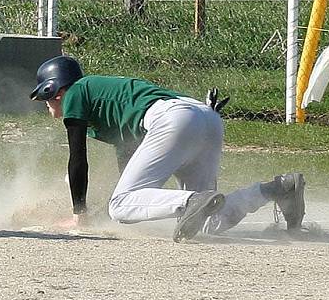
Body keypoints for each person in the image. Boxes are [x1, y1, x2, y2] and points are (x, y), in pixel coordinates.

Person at [30, 55, 306, 242]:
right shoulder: (104, 106)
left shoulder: (76, 92)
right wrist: (101, 216)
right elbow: (133, 178)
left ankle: (190, 201)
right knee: (210, 222)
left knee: (122, 206)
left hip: (175, 118)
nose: (46, 104)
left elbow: (78, 157)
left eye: (45, 96)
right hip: (205, 116)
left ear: (56, 91)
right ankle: (275, 189)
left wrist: (80, 215)